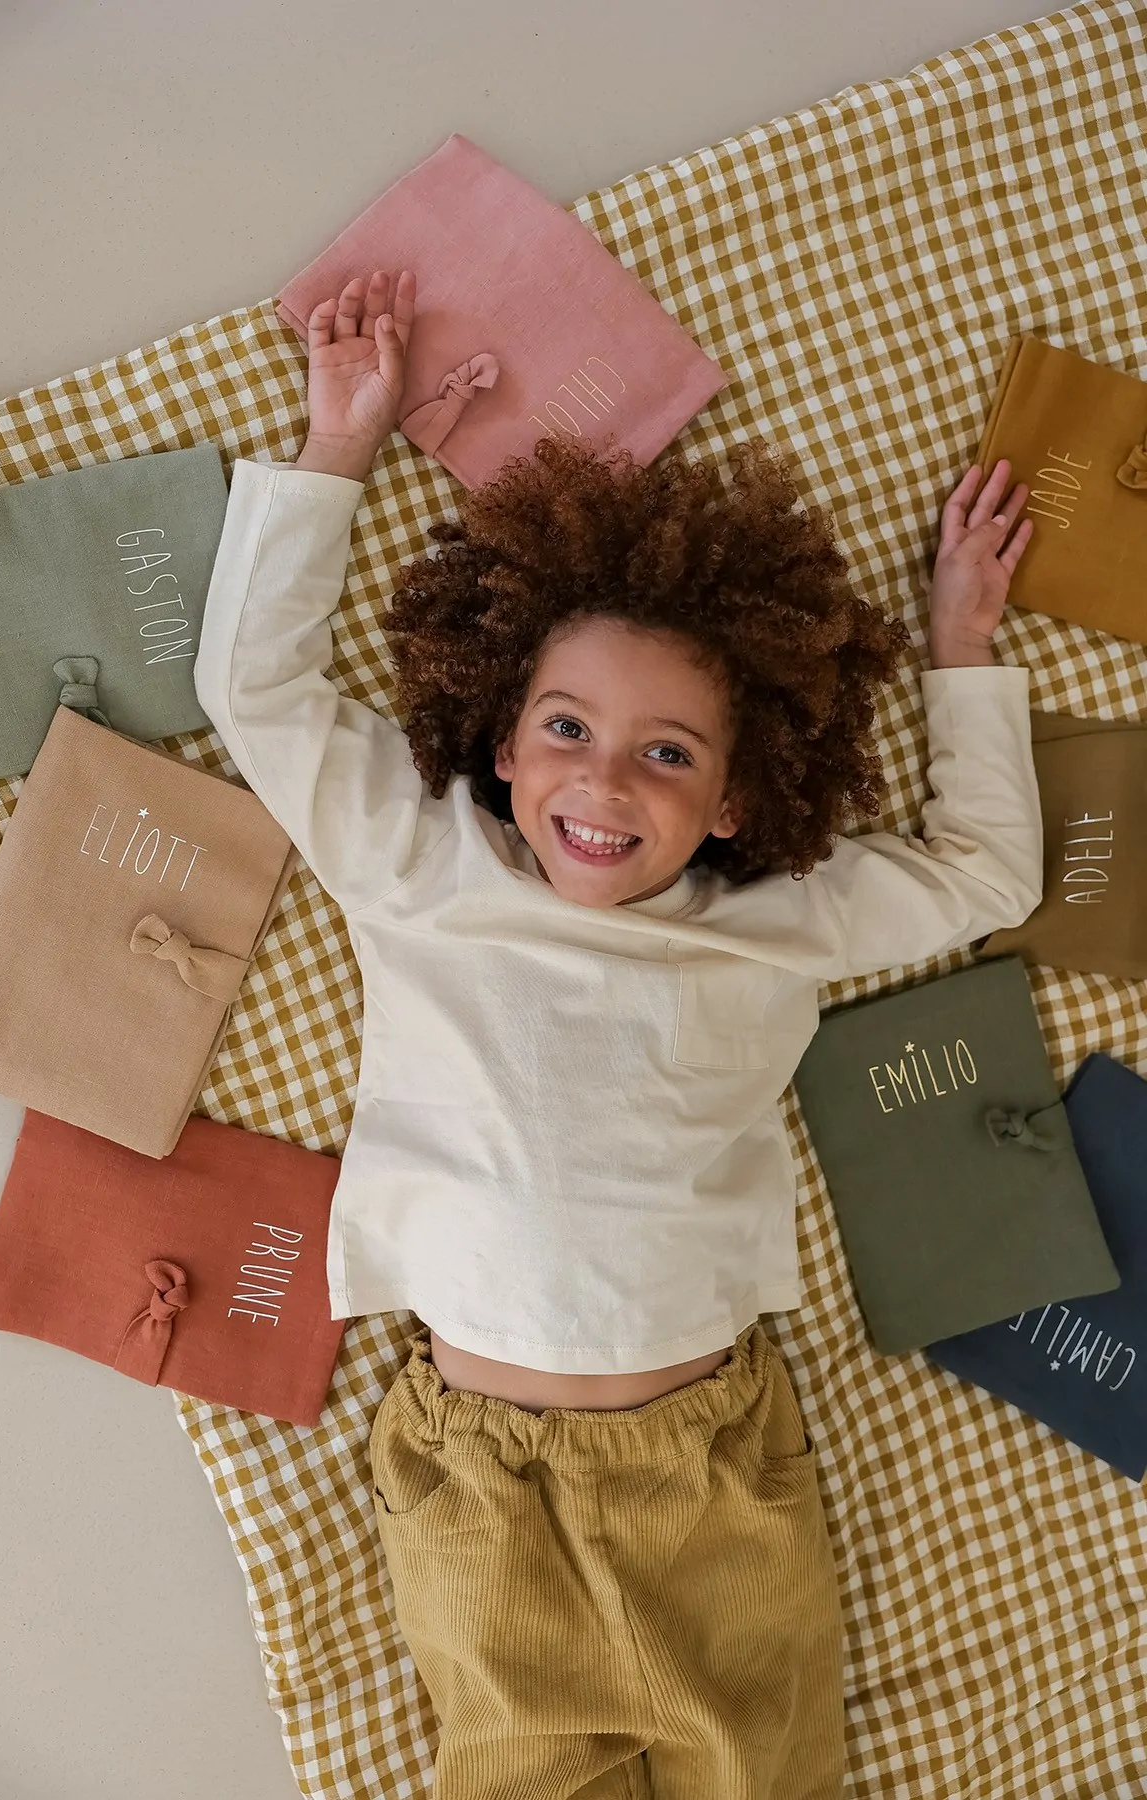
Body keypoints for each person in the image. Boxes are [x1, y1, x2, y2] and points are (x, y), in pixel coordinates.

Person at [195, 269, 1040, 1798]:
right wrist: (338, 444)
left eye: (668, 755)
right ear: (505, 744)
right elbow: (254, 689)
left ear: (729, 802)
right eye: (571, 731)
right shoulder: (424, 863)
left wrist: (961, 641)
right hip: (482, 1474)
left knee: (767, 1773)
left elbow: (986, 874)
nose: (609, 784)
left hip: (709, 1468)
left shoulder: (777, 917)